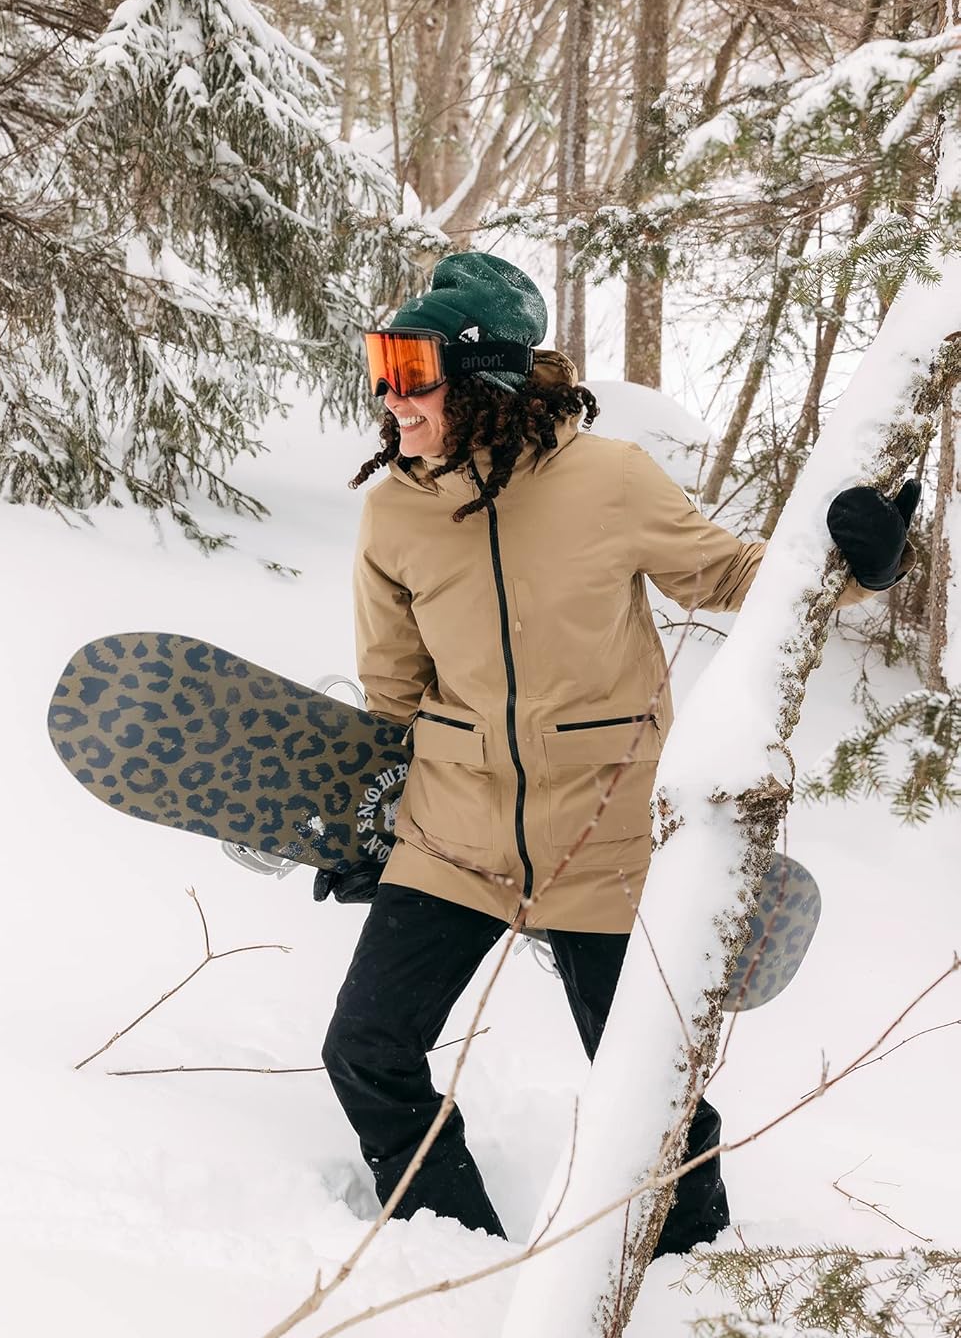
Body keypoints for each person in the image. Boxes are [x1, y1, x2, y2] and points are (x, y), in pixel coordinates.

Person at [317, 252, 918, 1254]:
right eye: (383, 369)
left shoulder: (606, 480)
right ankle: (449, 1245)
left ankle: (688, 1263)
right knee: (366, 1048)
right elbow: (393, 691)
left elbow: (732, 576)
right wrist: (363, 819)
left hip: (604, 839)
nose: (391, 396)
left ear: (483, 379)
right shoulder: (394, 510)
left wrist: (859, 568)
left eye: (412, 372)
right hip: (451, 834)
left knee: (650, 1083)